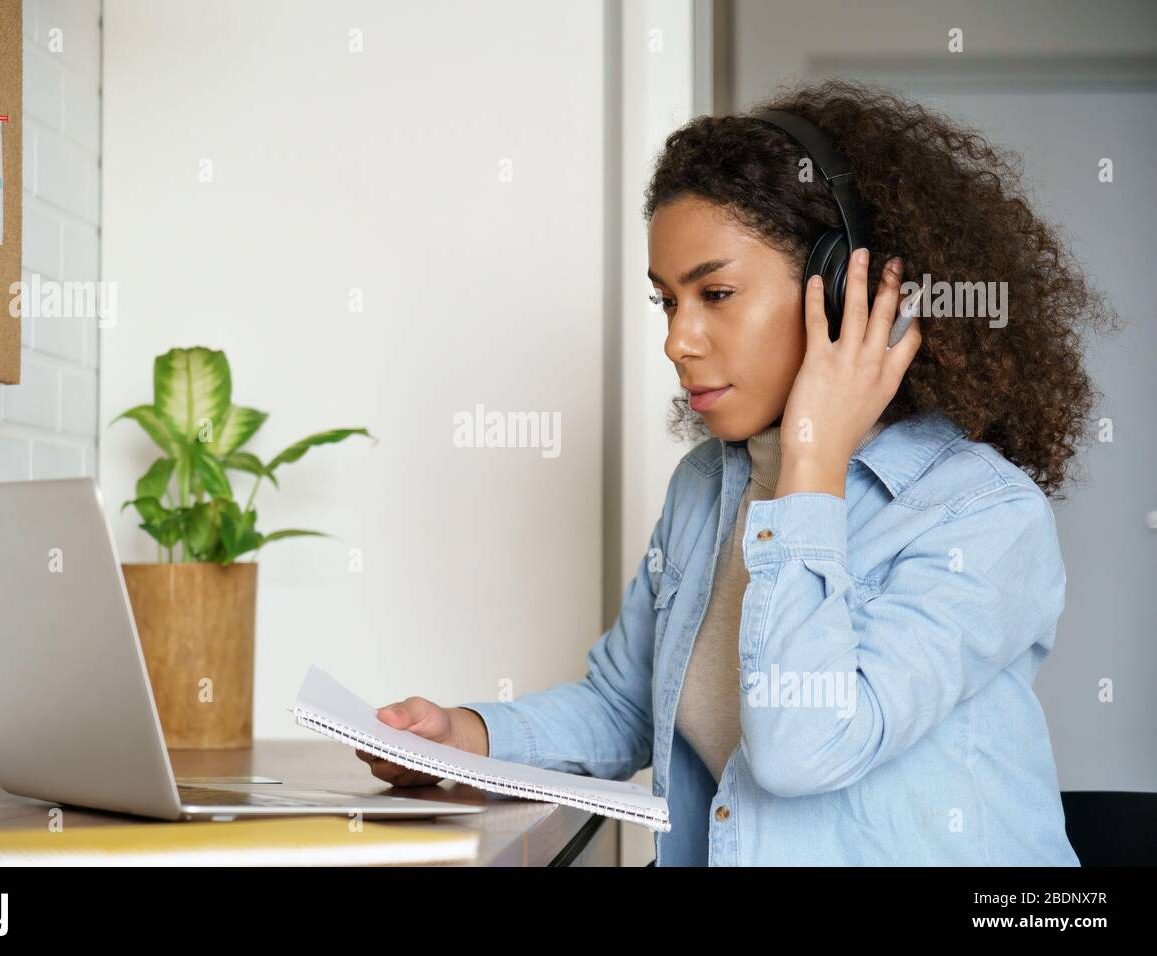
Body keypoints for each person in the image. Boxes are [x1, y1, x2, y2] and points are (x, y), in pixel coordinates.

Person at [355, 79, 1115, 866]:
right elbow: (626, 706)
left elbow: (802, 749)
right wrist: (462, 736)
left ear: (836, 292)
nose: (678, 341)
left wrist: (813, 463)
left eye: (715, 294)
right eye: (667, 303)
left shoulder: (983, 518)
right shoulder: (703, 488)